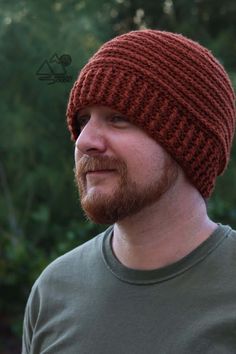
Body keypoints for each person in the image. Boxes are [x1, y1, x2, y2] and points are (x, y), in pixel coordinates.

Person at [22, 30, 236, 354]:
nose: (83, 141)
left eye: (118, 118)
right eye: (83, 121)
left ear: (187, 143)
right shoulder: (53, 293)